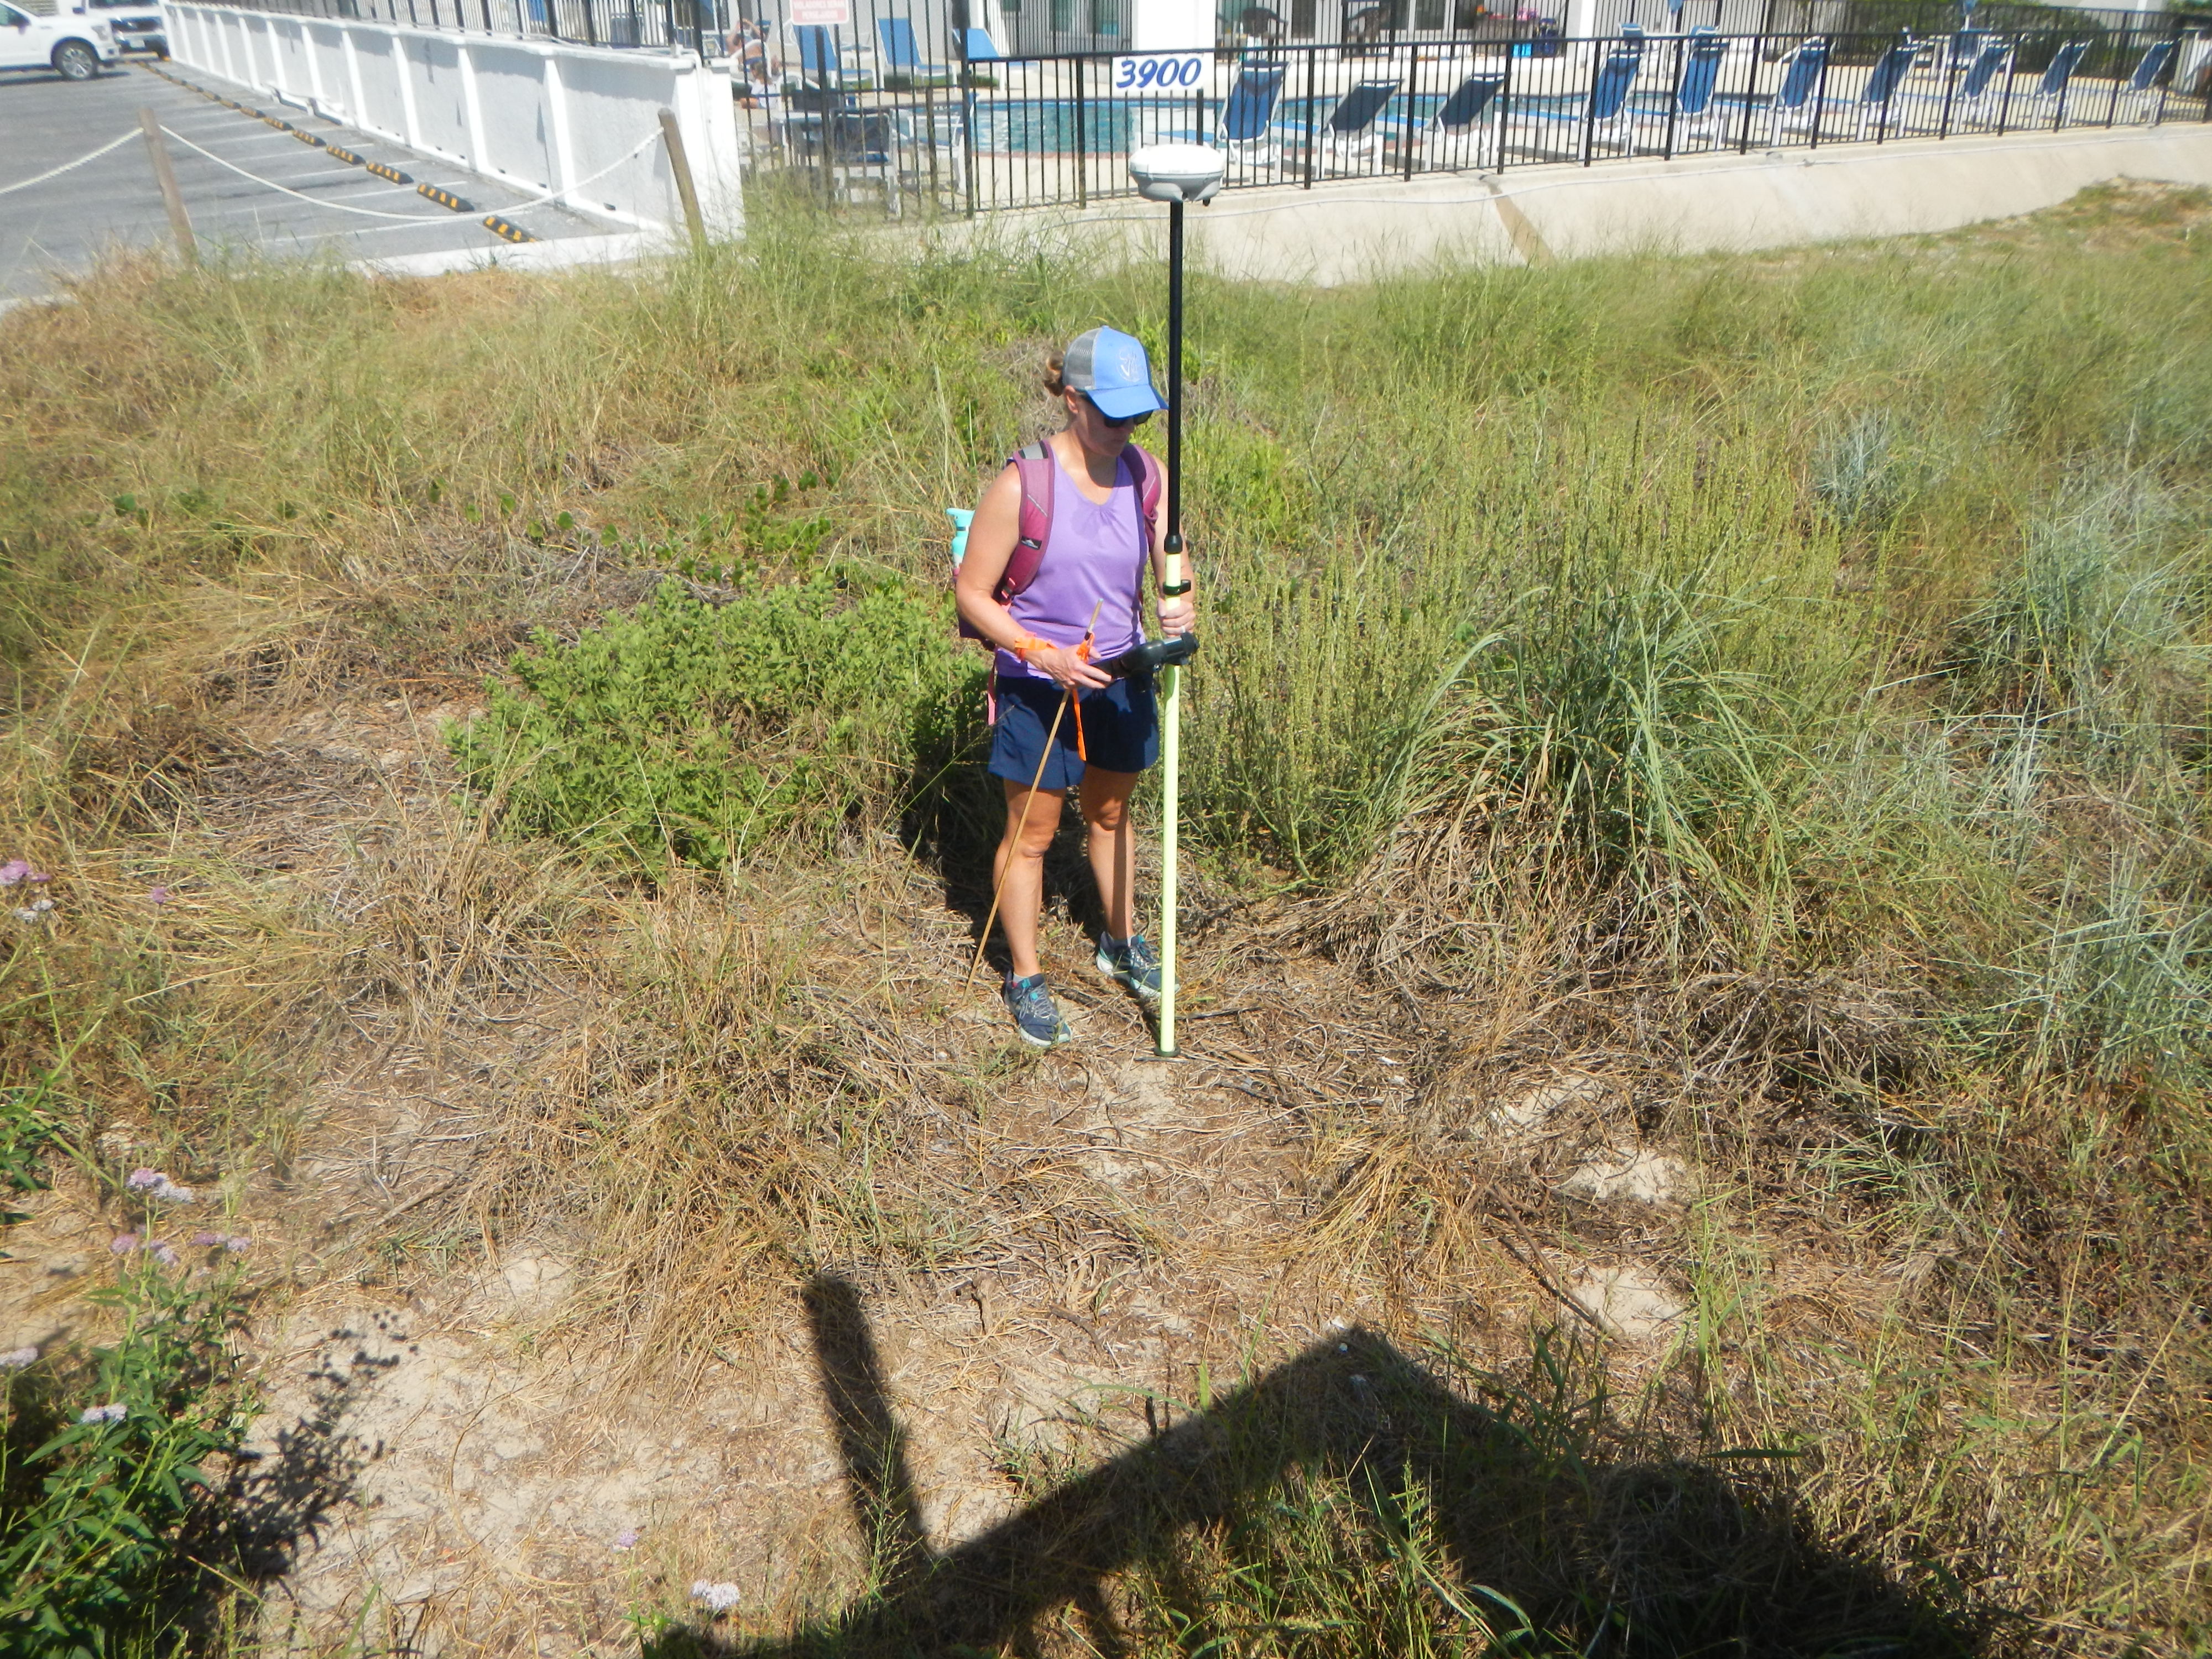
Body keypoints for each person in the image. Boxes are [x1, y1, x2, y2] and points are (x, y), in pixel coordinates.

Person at [954, 327, 1196, 1050]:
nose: (1125, 429)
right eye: (1110, 413)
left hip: (1121, 676)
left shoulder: (1148, 475)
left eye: (1137, 415)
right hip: (1038, 684)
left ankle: (1119, 941)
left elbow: (1172, 565)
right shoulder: (1023, 484)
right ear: (1071, 399)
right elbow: (972, 595)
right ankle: (1025, 976)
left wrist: (1179, 603)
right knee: (1030, 837)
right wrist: (1045, 655)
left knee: (1113, 813)